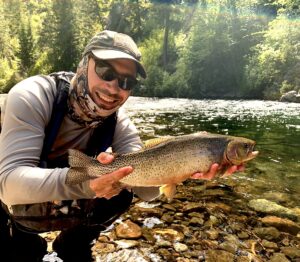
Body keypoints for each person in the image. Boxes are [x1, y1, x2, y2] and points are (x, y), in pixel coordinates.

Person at [0, 30, 243, 262]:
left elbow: (147, 193)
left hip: (63, 178)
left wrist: (184, 168)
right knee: (20, 253)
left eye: (126, 81)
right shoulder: (33, 95)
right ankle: (23, 239)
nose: (114, 87)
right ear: (83, 65)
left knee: (122, 192)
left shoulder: (120, 124)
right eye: (106, 71)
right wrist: (88, 183)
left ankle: (73, 244)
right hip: (8, 189)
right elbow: (9, 185)